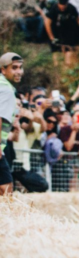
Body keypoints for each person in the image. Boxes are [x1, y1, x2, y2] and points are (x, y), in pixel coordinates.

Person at [0, 53, 24, 195]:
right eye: (14, 68)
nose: (19, 72)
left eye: (20, 67)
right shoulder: (6, 90)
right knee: (6, 189)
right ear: (3, 70)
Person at [44, 0, 79, 66]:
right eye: (61, 5)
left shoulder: (71, 8)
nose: (62, 7)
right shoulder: (54, 9)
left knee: (69, 54)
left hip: (68, 31)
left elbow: (78, 19)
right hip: (56, 31)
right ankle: (57, 69)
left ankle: (68, 66)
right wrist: (51, 37)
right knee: (56, 54)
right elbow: (47, 23)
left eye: (64, 5)